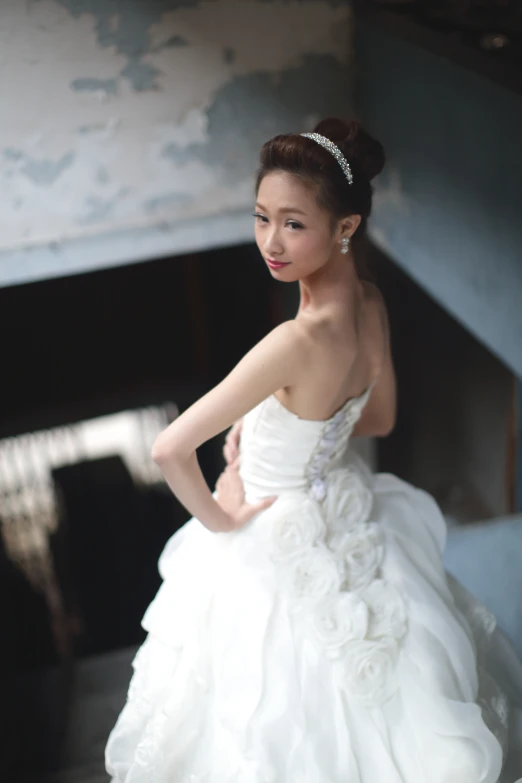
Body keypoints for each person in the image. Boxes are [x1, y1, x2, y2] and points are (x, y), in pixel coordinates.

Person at [105, 118, 519, 782]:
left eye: (294, 223)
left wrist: (225, 518)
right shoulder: (371, 305)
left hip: (270, 535)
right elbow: (376, 417)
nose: (270, 240)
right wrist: (290, 429)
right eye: (261, 215)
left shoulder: (293, 343)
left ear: (345, 227)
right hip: (338, 507)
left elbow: (168, 448)